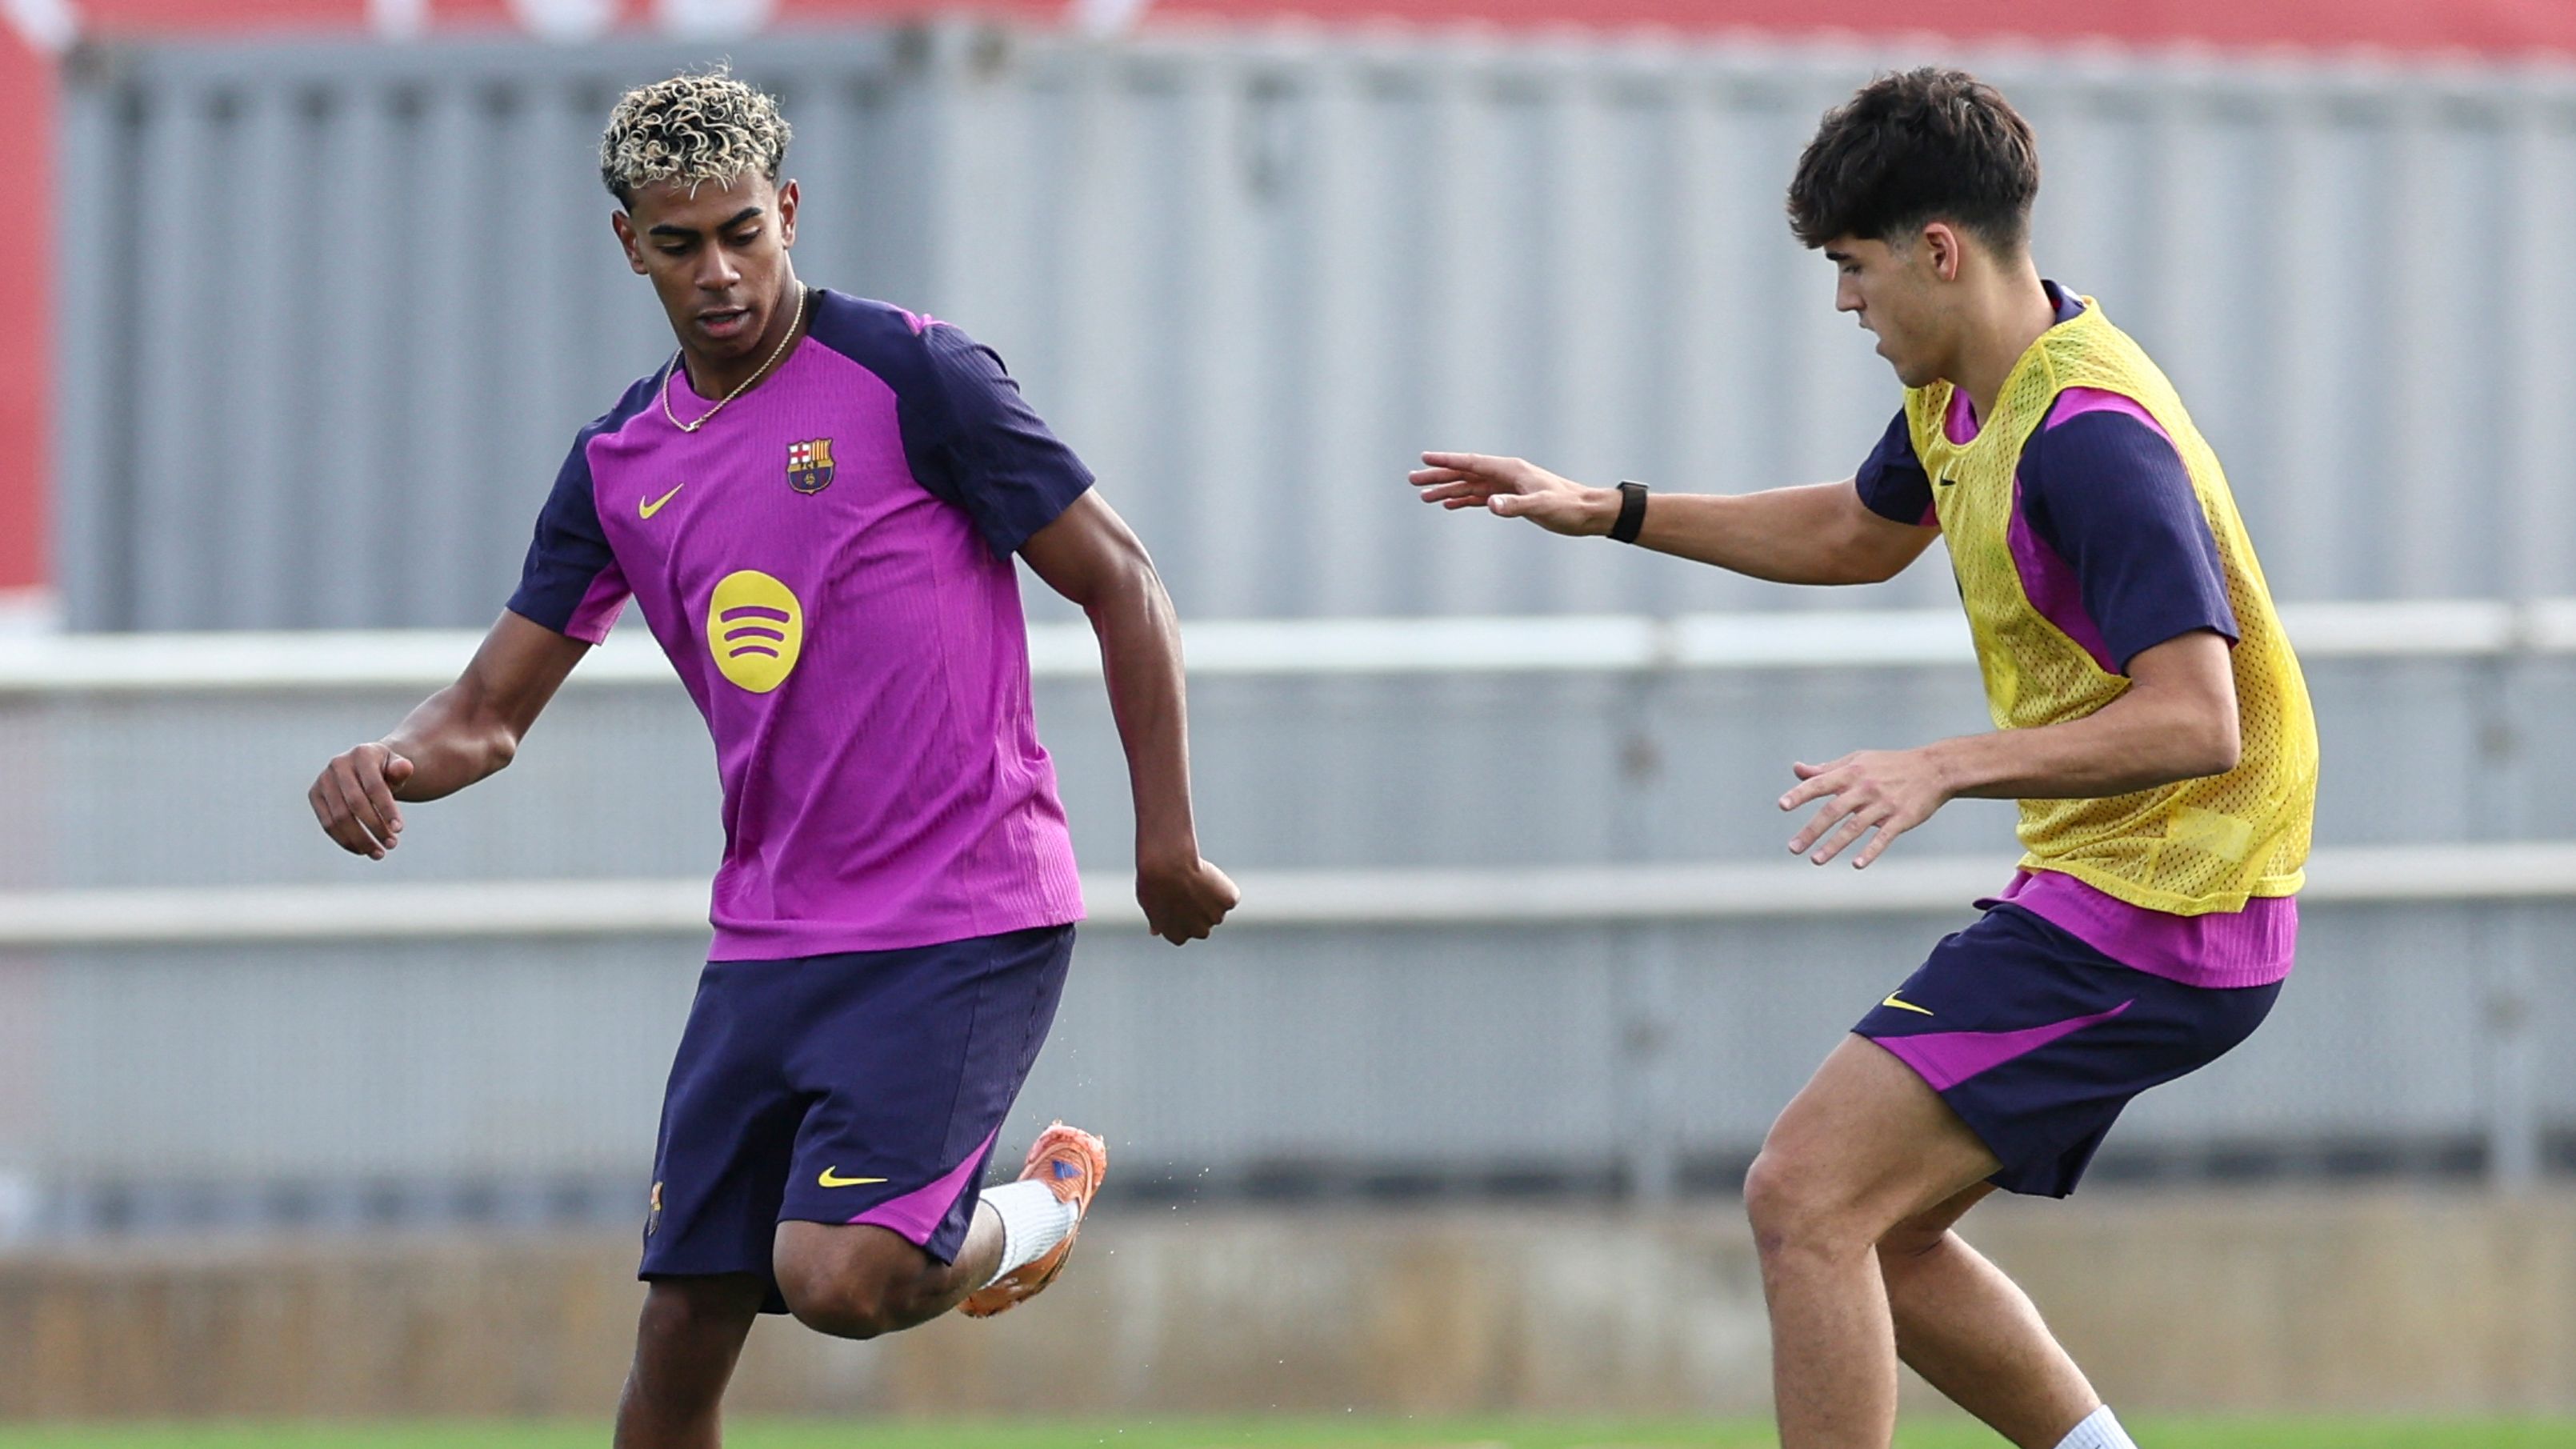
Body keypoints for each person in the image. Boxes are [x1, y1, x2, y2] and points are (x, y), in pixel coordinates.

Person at [307, 69, 1238, 1449]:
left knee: (839, 1273)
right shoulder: (620, 464)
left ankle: (1030, 1214)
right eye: (680, 244)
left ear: (789, 210)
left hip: (960, 915)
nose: (721, 272)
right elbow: (490, 709)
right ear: (630, 245)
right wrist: (388, 759)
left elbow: (1123, 578)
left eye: (744, 231)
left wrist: (1166, 836)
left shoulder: (914, 373)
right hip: (769, 937)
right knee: (680, 1331)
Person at [1409, 66, 2314, 1449]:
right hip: (2129, 896)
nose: (1844, 302)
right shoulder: (1970, 391)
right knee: (1876, 1235)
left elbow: (2201, 721)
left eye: (1853, 266)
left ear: (1938, 251)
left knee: (1804, 1197)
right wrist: (1610, 511)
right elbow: (1853, 533)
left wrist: (1945, 764)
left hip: (2172, 910)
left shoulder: (2093, 442)